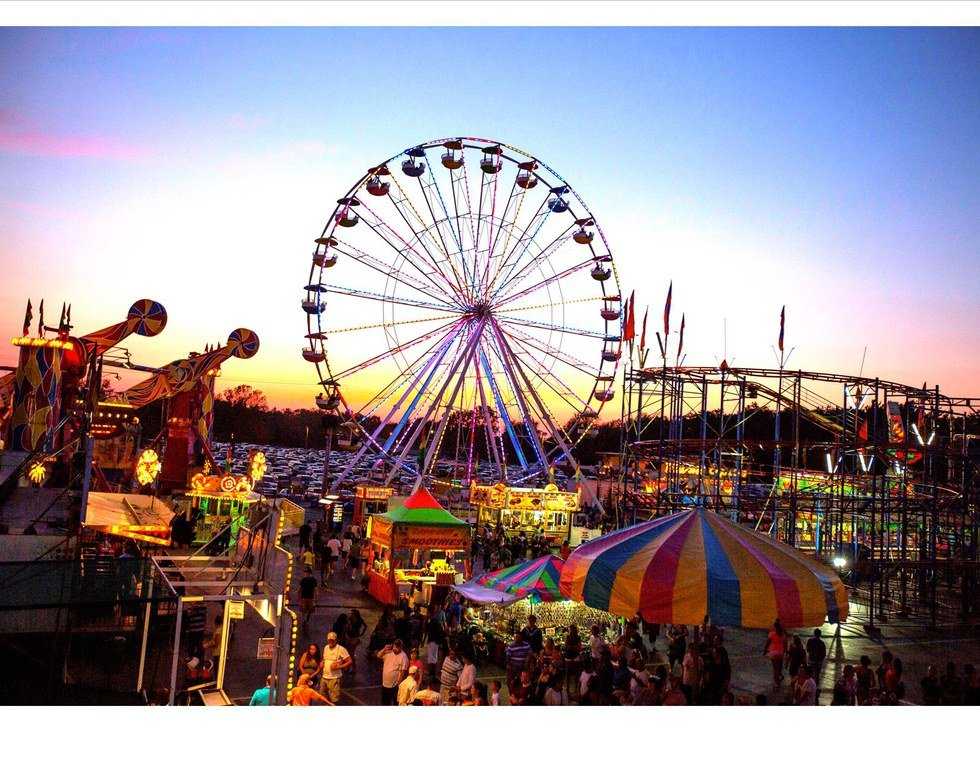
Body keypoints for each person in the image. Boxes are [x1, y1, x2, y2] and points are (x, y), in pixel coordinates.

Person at [318, 631, 351, 703]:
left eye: (332, 640)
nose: (330, 641)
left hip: (334, 678)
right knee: (322, 697)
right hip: (324, 676)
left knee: (334, 699)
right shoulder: (326, 647)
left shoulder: (341, 649)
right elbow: (324, 659)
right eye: (329, 640)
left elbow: (349, 661)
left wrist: (339, 667)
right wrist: (322, 663)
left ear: (336, 640)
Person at [377, 639, 410, 705]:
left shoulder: (403, 657)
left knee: (395, 703)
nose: (396, 649)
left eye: (398, 647)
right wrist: (384, 649)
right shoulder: (388, 652)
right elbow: (378, 655)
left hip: (394, 685)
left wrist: (398, 684)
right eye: (395, 646)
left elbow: (402, 672)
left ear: (401, 647)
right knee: (385, 703)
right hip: (385, 683)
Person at [763, 619, 787, 687]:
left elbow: (768, 643)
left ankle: (776, 682)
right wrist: (785, 651)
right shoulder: (783, 635)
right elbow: (785, 644)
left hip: (773, 653)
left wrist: (765, 650)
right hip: (780, 653)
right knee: (779, 666)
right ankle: (779, 675)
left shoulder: (772, 634)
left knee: (775, 668)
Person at [806, 628, 827, 701]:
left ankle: (809, 687)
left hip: (811, 660)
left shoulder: (810, 641)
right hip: (818, 662)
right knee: (817, 675)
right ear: (820, 635)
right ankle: (815, 687)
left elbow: (808, 650)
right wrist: (820, 660)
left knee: (810, 674)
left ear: (814, 633)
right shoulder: (822, 643)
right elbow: (824, 654)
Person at [346, 608, 367, 672]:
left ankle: (353, 668)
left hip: (354, 638)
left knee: (351, 653)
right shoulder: (350, 619)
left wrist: (361, 634)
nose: (351, 614)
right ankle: (349, 667)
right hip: (349, 637)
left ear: (355, 614)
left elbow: (365, 626)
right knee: (348, 653)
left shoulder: (358, 620)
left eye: (352, 613)